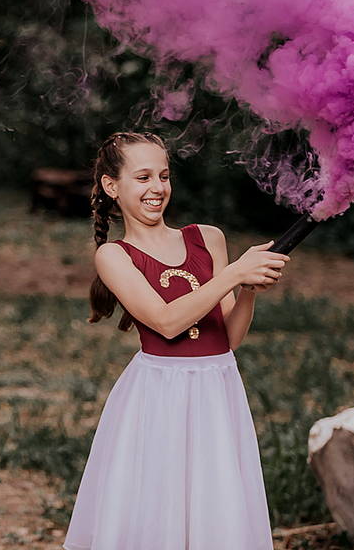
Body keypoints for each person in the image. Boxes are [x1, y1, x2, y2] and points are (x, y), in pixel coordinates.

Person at [63, 132, 288, 550]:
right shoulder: (114, 256)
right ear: (112, 186)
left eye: (164, 176)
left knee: (214, 498)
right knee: (159, 502)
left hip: (217, 389)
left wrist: (248, 290)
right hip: (160, 393)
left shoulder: (208, 238)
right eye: (143, 177)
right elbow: (166, 322)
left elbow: (229, 337)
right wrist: (234, 274)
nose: (157, 187)